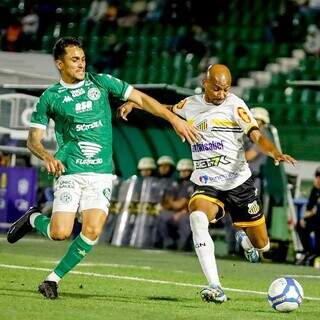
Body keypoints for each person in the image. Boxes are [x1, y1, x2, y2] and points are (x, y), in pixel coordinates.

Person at [6, 37, 198, 299]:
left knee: (93, 229)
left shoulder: (101, 82)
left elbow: (141, 99)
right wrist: (46, 156)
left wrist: (174, 120)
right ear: (59, 63)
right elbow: (33, 140)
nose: (81, 64)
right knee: (59, 233)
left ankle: (53, 279)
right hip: (70, 171)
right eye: (75, 60)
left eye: (83, 59)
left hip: (101, 173)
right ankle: (32, 218)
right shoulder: (50, 97)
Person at [119, 64, 296, 303]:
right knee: (197, 217)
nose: (221, 94)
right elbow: (165, 109)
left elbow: (255, 135)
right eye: (216, 89)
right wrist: (135, 103)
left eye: (225, 89)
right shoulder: (191, 104)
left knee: (262, 246)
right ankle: (215, 286)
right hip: (207, 183)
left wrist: (275, 152)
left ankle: (244, 238)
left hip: (239, 184)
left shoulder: (236, 105)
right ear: (205, 83)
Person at [157, 158, 194, 250]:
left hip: (188, 213)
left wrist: (181, 210)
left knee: (185, 220)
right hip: (175, 212)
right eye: (181, 171)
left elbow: (189, 203)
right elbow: (170, 201)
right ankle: (169, 243)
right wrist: (174, 204)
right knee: (162, 216)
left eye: (186, 171)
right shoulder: (177, 184)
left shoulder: (194, 184)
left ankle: (183, 246)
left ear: (191, 171)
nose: (183, 173)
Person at [296, 167, 320, 265]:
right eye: (317, 177)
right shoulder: (315, 190)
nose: (318, 180)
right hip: (314, 219)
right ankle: (308, 252)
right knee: (300, 225)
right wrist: (303, 218)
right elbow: (310, 209)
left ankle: (317, 254)